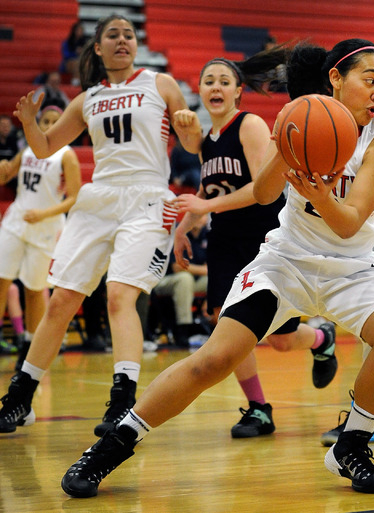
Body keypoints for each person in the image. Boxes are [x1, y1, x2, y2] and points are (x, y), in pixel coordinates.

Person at [60, 38, 374, 498]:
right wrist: (288, 144)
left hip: (353, 265)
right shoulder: (302, 117)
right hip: (286, 260)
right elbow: (265, 194)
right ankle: (112, 446)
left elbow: (349, 225)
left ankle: (351, 445)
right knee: (214, 359)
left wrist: (321, 193)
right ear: (335, 79)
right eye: (369, 80)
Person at [0, 14, 201, 436]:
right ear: (98, 47)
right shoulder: (87, 98)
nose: (123, 40)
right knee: (59, 302)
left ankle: (123, 403)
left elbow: (192, 144)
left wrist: (188, 125)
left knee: (118, 297)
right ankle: (20, 398)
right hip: (99, 199)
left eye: (129, 34)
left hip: (147, 198)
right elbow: (46, 147)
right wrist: (30, 123)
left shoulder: (160, 83)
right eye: (113, 35)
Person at [169, 53, 338, 438]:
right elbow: (209, 190)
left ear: (238, 92)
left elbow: (262, 190)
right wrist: (185, 226)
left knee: (278, 339)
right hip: (225, 237)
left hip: (261, 235)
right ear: (199, 90)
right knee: (227, 324)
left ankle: (319, 337)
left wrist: (206, 205)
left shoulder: (250, 125)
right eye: (208, 80)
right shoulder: (207, 142)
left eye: (224, 81)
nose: (216, 86)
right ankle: (259, 409)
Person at [0, 105, 81, 370]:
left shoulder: (66, 156)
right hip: (16, 221)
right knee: (1, 280)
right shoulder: (27, 150)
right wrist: (3, 167)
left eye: (55, 122)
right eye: (45, 121)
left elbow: (74, 197)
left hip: (46, 227)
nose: (48, 126)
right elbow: (6, 175)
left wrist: (44, 213)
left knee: (35, 290)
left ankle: (28, 344)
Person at [150, 213, 208, 348]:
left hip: (193, 281)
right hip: (164, 280)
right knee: (184, 278)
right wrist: (204, 270)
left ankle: (215, 324)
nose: (200, 218)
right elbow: (177, 267)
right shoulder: (178, 232)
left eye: (203, 215)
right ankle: (183, 329)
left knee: (217, 279)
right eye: (197, 215)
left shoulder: (207, 235)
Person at [59, 21, 90, 86]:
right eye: (78, 30)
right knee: (76, 63)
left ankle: (86, 81)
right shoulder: (67, 42)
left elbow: (88, 54)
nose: (80, 32)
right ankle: (75, 81)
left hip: (81, 61)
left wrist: (82, 52)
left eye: (81, 30)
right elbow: (66, 55)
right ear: (74, 31)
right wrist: (75, 53)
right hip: (68, 63)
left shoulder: (85, 42)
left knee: (86, 63)